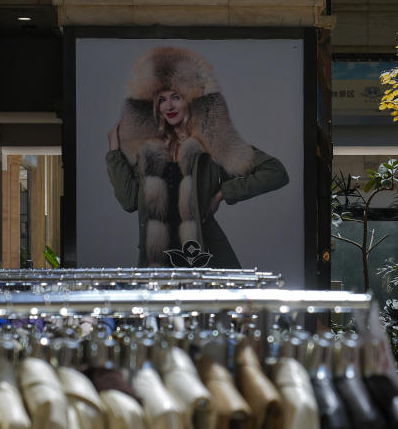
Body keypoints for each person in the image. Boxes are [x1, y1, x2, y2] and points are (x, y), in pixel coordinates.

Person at [106, 46, 289, 268]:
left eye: (176, 97)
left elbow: (275, 172)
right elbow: (129, 201)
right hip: (158, 260)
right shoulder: (148, 151)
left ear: (191, 99)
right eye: (162, 99)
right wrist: (115, 153)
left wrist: (223, 193)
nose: (169, 106)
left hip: (204, 256)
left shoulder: (211, 144)